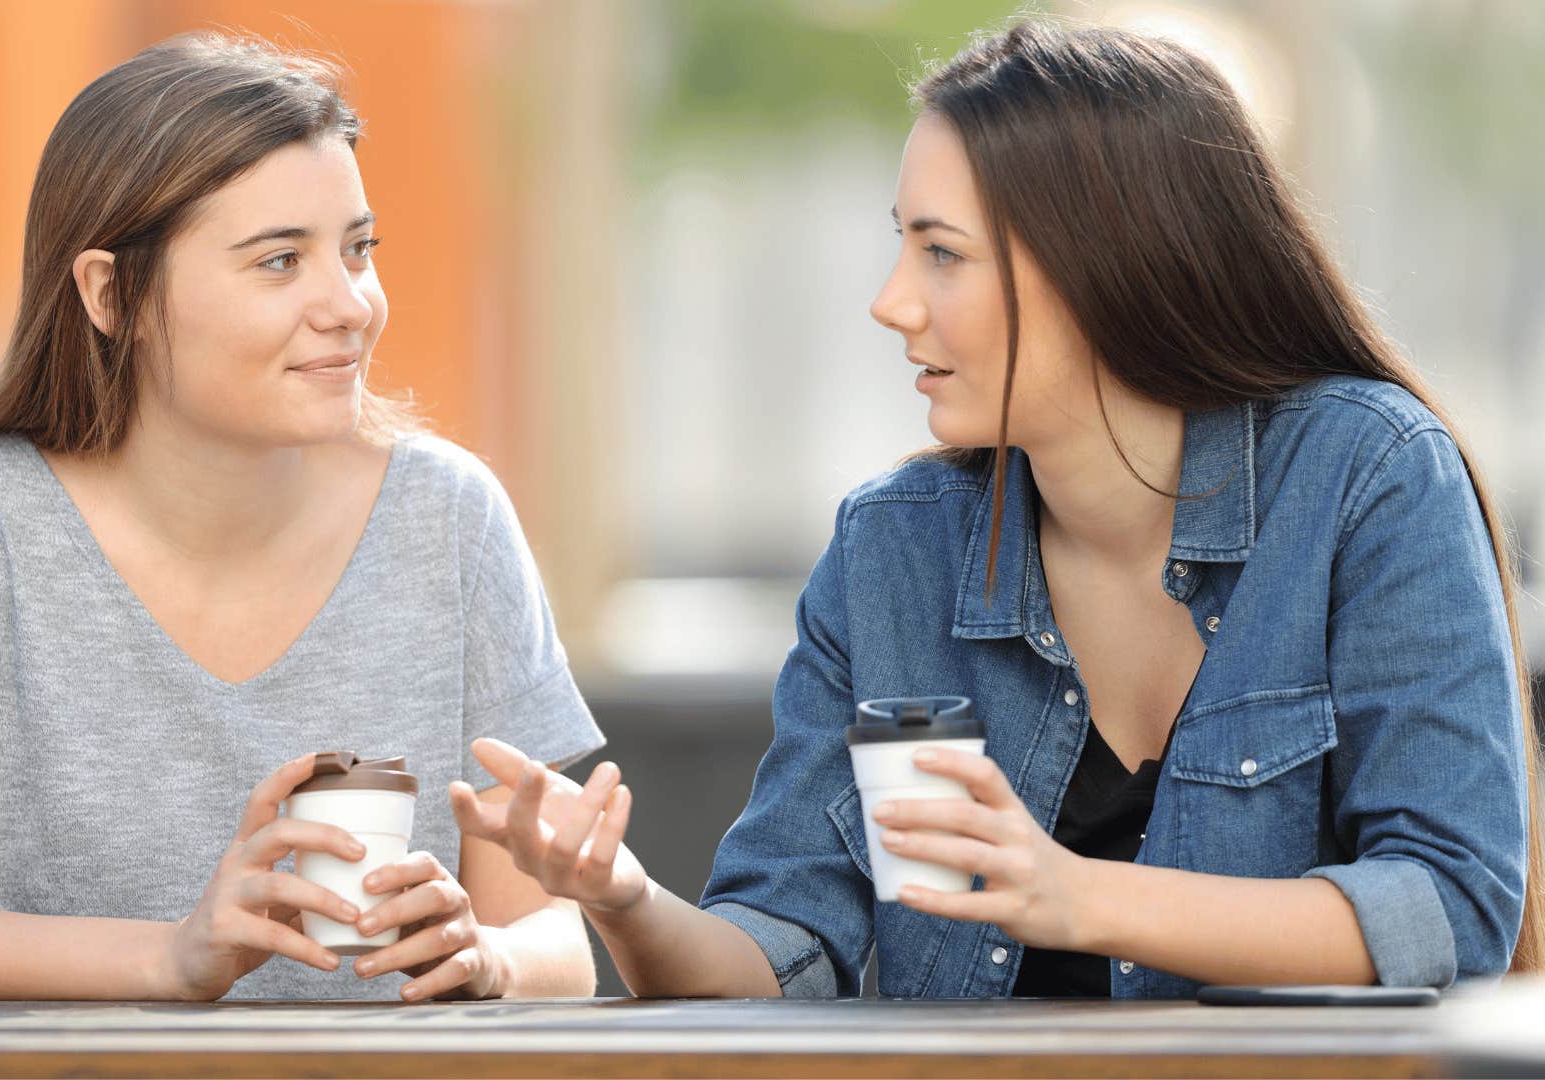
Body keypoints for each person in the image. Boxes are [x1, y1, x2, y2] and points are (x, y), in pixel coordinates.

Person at [454, 19, 1541, 999]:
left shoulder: (1369, 477)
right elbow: (782, 953)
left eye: (941, 253)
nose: (890, 300)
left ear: (1105, 266)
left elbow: (1453, 903)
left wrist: (1076, 896)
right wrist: (623, 897)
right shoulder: (894, 549)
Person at [0, 31, 603, 1003]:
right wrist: (167, 959)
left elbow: (560, 943)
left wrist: (491, 957)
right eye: (280, 261)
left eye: (358, 250)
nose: (351, 305)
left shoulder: (453, 521)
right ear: (109, 293)